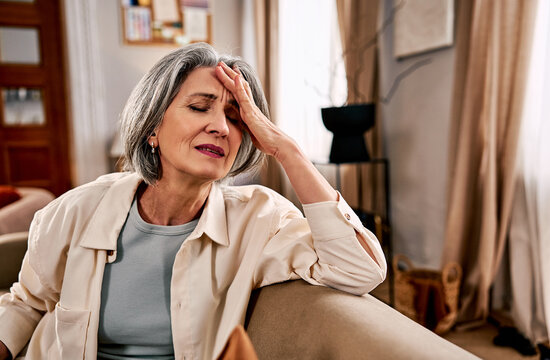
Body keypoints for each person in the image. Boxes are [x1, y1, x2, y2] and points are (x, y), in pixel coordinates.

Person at [0, 43, 386, 360]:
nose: (220, 126)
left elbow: (360, 270)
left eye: (237, 118)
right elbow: (26, 303)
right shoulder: (75, 211)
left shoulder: (260, 217)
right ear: (153, 127)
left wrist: (286, 150)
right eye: (200, 107)